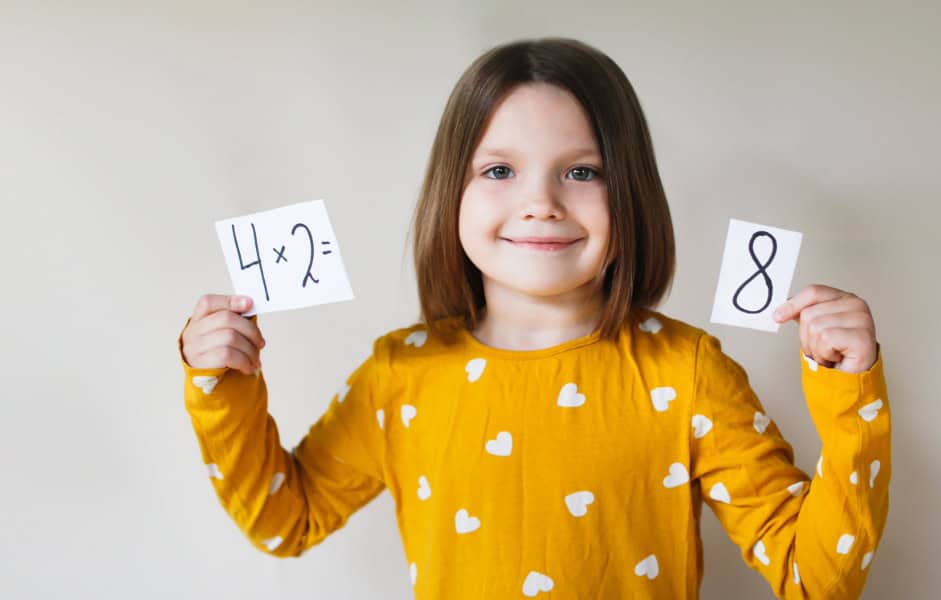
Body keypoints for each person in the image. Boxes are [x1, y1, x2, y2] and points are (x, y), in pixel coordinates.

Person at [178, 37, 889, 599]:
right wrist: (222, 385)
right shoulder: (400, 375)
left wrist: (849, 397)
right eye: (499, 171)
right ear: (451, 194)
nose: (541, 202)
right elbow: (284, 521)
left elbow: (815, 579)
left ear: (629, 193)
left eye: (581, 172)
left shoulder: (689, 373)